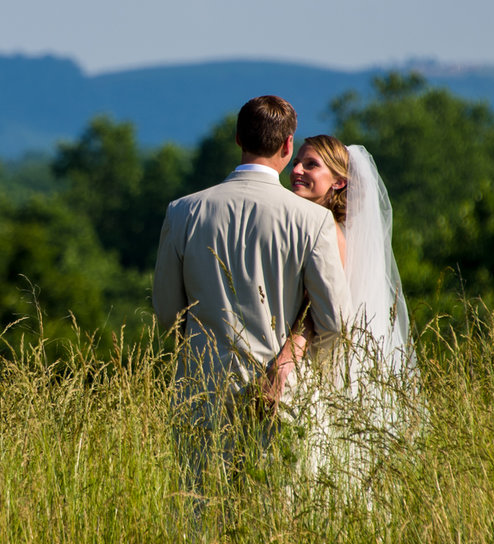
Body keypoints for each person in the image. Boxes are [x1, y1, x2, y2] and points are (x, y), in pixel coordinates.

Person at [152, 96, 350, 489]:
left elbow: (167, 313)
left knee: (200, 515)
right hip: (279, 394)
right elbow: (335, 321)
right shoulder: (312, 221)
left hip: (199, 390)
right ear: (288, 145)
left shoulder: (183, 211)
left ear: (238, 137)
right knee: (276, 520)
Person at [281, 135, 415, 437]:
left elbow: (318, 312)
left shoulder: (330, 233)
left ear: (338, 182)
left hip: (316, 363)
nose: (297, 170)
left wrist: (287, 361)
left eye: (311, 165)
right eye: (297, 162)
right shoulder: (328, 228)